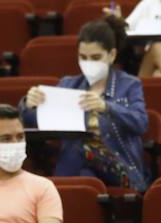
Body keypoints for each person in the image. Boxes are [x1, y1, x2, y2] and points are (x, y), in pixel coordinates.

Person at [22, 16, 150, 191]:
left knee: (79, 147)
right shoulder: (68, 84)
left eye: (96, 57)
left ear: (111, 55)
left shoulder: (130, 84)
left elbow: (141, 123)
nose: (89, 63)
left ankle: (54, 195)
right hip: (82, 166)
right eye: (83, 57)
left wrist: (107, 107)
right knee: (84, 178)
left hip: (123, 170)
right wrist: (29, 105)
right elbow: (34, 123)